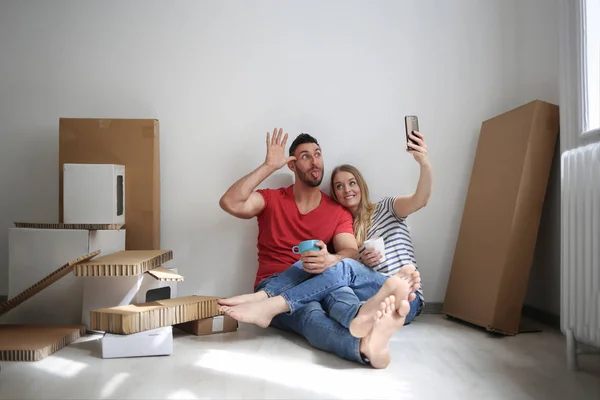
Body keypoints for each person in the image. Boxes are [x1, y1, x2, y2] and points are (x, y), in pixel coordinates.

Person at [218, 128, 417, 368]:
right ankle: (359, 345)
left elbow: (350, 254)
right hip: (273, 283)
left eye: (318, 154)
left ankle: (364, 329)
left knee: (339, 290)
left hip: (321, 280)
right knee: (311, 317)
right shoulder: (271, 198)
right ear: (291, 165)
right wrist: (269, 166)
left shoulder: (337, 211)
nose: (315, 161)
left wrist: (329, 260)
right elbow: (230, 202)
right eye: (305, 156)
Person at [326, 129, 432, 336]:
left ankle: (377, 313)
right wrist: (362, 263)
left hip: (408, 295)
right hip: (374, 297)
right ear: (335, 194)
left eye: (351, 183)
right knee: (335, 289)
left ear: (361, 186)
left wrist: (424, 162)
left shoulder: (386, 207)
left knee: (342, 266)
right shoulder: (345, 233)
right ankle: (366, 322)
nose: (346, 189)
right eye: (339, 186)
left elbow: (421, 200)